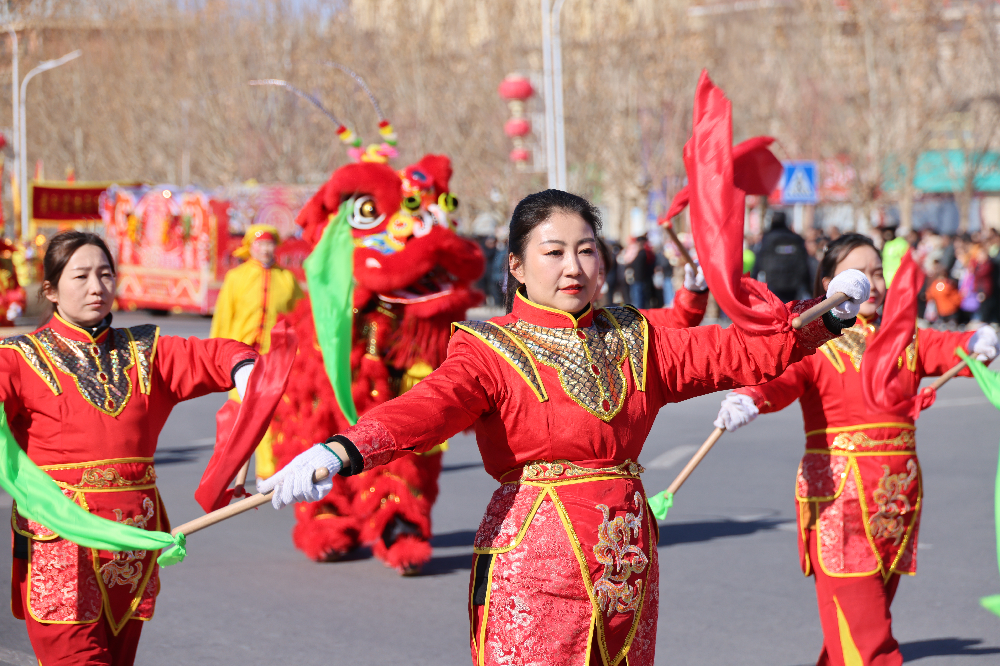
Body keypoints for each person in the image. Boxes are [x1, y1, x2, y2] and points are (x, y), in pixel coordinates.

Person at [260, 189, 870, 665]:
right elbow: (429, 405)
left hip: (627, 561)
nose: (573, 266)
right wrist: (343, 450)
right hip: (533, 565)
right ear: (519, 268)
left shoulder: (636, 337)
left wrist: (824, 318)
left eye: (585, 249)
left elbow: (734, 353)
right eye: (553, 252)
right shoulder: (489, 347)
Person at [713, 233, 999, 666]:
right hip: (840, 504)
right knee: (870, 642)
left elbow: (945, 347)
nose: (873, 283)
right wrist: (751, 398)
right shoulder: (816, 340)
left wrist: (975, 342)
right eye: (859, 273)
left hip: (896, 502)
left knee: (855, 629)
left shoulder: (901, 337)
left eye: (877, 272)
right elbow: (782, 378)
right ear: (829, 283)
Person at [4, 231, 259, 666]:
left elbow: (216, 355)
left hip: (132, 541)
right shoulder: (18, 356)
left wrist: (247, 374)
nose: (96, 287)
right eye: (80, 275)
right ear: (50, 289)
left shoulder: (145, 349)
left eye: (105, 274)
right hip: (60, 542)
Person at [210, 224, 303, 478]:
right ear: (251, 247)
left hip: (275, 359)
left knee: (270, 415)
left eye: (269, 244)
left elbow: (299, 317)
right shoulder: (236, 278)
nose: (265, 249)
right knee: (239, 417)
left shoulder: (287, 279)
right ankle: (230, 473)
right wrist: (216, 355)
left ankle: (268, 472)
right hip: (240, 359)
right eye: (260, 244)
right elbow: (223, 318)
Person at [756, 211, 811, 302]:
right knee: (791, 309)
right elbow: (804, 263)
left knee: (776, 309)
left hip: (773, 281)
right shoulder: (795, 239)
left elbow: (759, 260)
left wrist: (753, 280)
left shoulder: (767, 239)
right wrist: (808, 286)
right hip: (793, 282)